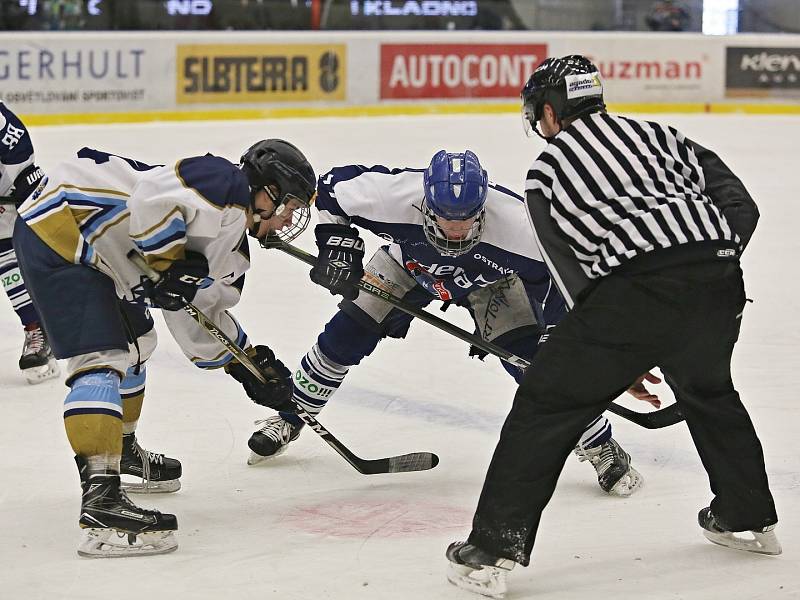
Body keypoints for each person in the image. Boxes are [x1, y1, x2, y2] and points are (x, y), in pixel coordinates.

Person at [445, 55, 779, 599]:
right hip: (719, 280)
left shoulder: (545, 172)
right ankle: (748, 519)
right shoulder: (663, 135)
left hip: (634, 293)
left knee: (546, 405)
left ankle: (491, 550)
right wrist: (707, 270)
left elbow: (573, 277)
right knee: (710, 392)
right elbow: (742, 206)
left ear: (550, 112)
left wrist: (624, 345)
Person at [245, 149, 644, 498]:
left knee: (539, 368)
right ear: (425, 203)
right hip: (410, 266)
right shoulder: (393, 197)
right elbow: (329, 189)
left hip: (492, 283)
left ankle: (600, 444)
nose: (455, 231)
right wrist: (338, 245)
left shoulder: (521, 229)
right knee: (344, 336)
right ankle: (291, 415)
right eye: (444, 218)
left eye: (467, 221)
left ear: (484, 208)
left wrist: (561, 337)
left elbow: (564, 280)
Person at [13, 139, 316, 557]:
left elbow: (197, 312)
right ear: (267, 189)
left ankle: (119, 451)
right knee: (103, 358)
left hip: (104, 258)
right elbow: (151, 200)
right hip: (62, 230)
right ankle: (102, 506)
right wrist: (169, 262)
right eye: (288, 205)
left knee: (137, 346)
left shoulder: (232, 250)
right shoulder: (224, 182)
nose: (287, 220)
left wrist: (249, 366)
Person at [0, 101, 60, 384]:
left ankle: (37, 328)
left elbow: (21, 154)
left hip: (11, 202)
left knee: (13, 268)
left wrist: (23, 189)